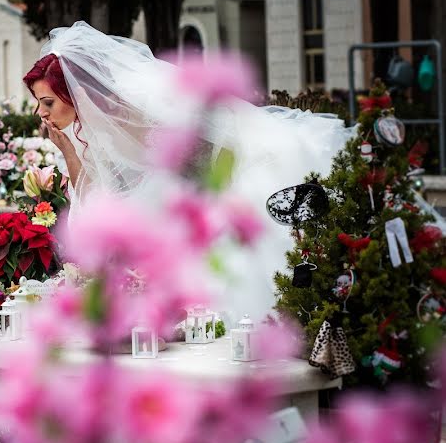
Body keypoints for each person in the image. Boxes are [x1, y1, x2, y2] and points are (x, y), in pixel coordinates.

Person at [22, 21, 355, 319]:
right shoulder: (93, 128)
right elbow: (93, 200)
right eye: (39, 103)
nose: (41, 113)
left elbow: (216, 147)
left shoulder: (138, 113)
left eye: (48, 102)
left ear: (75, 92)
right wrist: (67, 149)